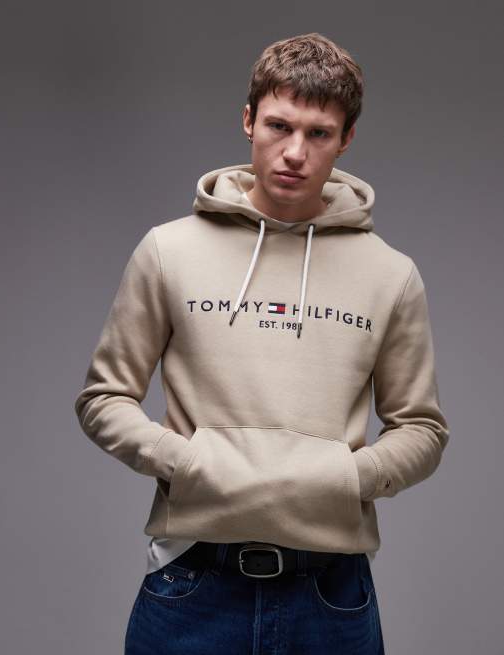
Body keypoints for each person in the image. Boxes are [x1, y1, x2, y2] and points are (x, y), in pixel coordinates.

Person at [74, 32, 450, 654]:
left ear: (346, 138)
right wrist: (187, 464)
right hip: (194, 581)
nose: (295, 152)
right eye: (279, 126)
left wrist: (346, 477)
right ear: (248, 120)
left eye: (319, 134)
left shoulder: (390, 274)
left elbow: (422, 429)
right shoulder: (168, 251)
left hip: (330, 592)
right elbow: (103, 398)